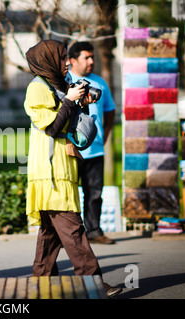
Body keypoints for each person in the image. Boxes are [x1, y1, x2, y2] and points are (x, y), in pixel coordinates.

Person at [24, 39, 122, 298]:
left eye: (67, 56)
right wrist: (69, 99)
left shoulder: (59, 86)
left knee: (50, 234)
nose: (67, 62)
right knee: (73, 229)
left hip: (64, 166)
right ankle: (94, 284)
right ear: (47, 61)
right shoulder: (37, 89)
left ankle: (41, 285)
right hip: (49, 169)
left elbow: (74, 128)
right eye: (62, 57)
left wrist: (84, 103)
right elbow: (52, 128)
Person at [68, 41, 116, 245]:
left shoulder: (100, 82)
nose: (91, 61)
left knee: (95, 193)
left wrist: (104, 137)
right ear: (72, 60)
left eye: (92, 57)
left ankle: (94, 231)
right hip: (71, 149)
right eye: (86, 57)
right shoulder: (65, 81)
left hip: (95, 149)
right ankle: (70, 235)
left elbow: (110, 110)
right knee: (68, 194)